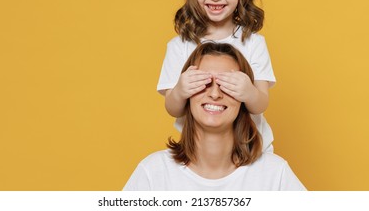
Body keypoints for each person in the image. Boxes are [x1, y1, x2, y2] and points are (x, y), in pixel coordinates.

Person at [125, 43, 305, 190]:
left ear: (243, 100)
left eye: (227, 84)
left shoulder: (275, 174)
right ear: (186, 95)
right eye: (203, 82)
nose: (215, 94)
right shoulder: (153, 173)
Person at [157, 0, 275, 152]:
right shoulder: (179, 46)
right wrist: (181, 90)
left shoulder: (253, 43)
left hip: (251, 150)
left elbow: (261, 103)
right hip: (201, 154)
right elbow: (173, 108)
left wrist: (248, 92)